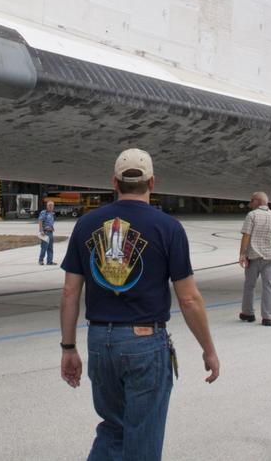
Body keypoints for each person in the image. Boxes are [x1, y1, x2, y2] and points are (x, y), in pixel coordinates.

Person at [58, 148, 220, 461]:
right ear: (152, 182)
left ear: (114, 182)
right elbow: (188, 298)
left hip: (99, 342)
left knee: (114, 429)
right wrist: (208, 349)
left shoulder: (86, 224)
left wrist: (68, 347)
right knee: (142, 438)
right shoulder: (168, 227)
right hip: (145, 342)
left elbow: (69, 293)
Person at [238, 191, 271, 325]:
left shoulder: (252, 215)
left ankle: (248, 313)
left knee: (249, 285)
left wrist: (242, 254)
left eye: (251, 201)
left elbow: (246, 235)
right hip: (270, 258)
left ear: (257, 201)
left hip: (254, 257)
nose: (250, 204)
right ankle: (267, 317)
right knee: (268, 286)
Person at [38, 200, 56, 265]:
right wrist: (41, 230)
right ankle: (40, 260)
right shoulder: (44, 212)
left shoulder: (52, 213)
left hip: (50, 233)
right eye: (49, 205)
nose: (51, 207)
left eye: (52, 205)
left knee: (50, 248)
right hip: (45, 233)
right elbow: (40, 221)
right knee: (44, 247)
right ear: (47, 206)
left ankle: (49, 261)